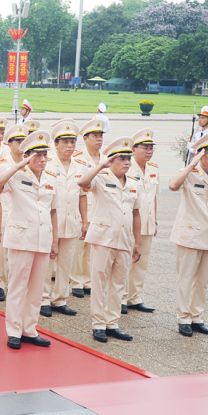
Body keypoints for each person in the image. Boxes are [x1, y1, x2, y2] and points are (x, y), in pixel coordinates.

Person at [0, 131, 58, 350]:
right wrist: (19, 166)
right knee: (18, 286)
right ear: (27, 156)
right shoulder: (16, 176)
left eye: (44, 155)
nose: (42, 159)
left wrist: (54, 241)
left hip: (42, 239)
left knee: (37, 288)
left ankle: (29, 329)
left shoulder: (50, 178)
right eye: (37, 155)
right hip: (21, 239)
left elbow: (53, 211)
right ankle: (13, 331)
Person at [77, 137, 141, 343]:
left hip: (124, 240)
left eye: (128, 158)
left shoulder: (133, 183)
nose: (126, 162)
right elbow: (82, 183)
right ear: (111, 160)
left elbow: (137, 214)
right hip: (103, 238)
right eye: (121, 158)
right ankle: (98, 324)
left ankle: (112, 323)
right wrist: (100, 166)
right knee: (98, 282)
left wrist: (137, 242)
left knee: (118, 283)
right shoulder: (102, 178)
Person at [168, 131, 208, 337]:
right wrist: (192, 162)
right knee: (185, 279)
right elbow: (173, 185)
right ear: (201, 154)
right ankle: (183, 319)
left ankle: (197, 318)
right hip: (189, 236)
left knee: (202, 280)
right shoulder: (189, 173)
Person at [41, 121, 85, 318]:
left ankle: (60, 299)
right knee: (47, 262)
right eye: (65, 142)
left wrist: (85, 221)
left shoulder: (80, 166)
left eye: (73, 142)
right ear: (55, 144)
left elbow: (83, 195)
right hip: (51, 221)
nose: (70, 146)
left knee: (66, 263)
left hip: (71, 221)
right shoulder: (47, 165)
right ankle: (43, 298)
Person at [124, 128, 159, 314]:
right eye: (145, 147)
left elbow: (153, 197)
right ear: (134, 149)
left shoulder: (153, 169)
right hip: (130, 224)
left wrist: (155, 220)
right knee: (126, 261)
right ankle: (120, 298)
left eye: (151, 148)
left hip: (147, 222)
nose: (149, 151)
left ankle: (134, 297)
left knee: (141, 262)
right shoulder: (126, 168)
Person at [70, 119, 106, 299]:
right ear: (85, 139)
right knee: (79, 248)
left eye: (101, 136)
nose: (99, 139)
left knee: (93, 249)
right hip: (82, 209)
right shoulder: (77, 159)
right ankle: (77, 281)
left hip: (101, 210)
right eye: (95, 136)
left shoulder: (107, 158)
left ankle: (89, 280)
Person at [0, 123, 27, 302]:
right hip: (4, 213)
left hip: (21, 216)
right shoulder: (0, 165)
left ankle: (14, 285)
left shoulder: (29, 164)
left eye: (23, 140)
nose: (21, 144)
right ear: (9, 144)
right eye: (17, 141)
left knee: (17, 255)